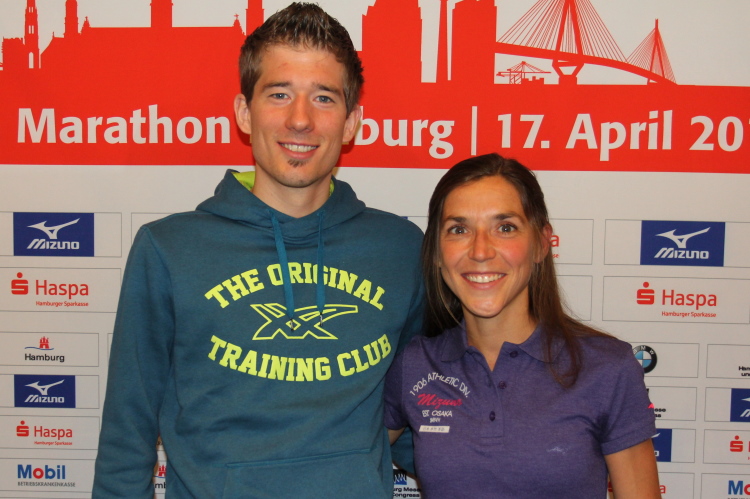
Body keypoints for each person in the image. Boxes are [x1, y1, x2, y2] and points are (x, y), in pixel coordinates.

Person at [93, 4, 423, 498]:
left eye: (324, 98)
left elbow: (421, 407)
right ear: (244, 113)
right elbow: (127, 433)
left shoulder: (400, 248)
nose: (300, 119)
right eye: (279, 94)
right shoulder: (168, 250)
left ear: (352, 121)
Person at [384, 153, 660, 498]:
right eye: (459, 229)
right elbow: (344, 457)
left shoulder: (607, 368)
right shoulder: (414, 364)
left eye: (505, 228)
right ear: (437, 252)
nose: (480, 251)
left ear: (542, 244)